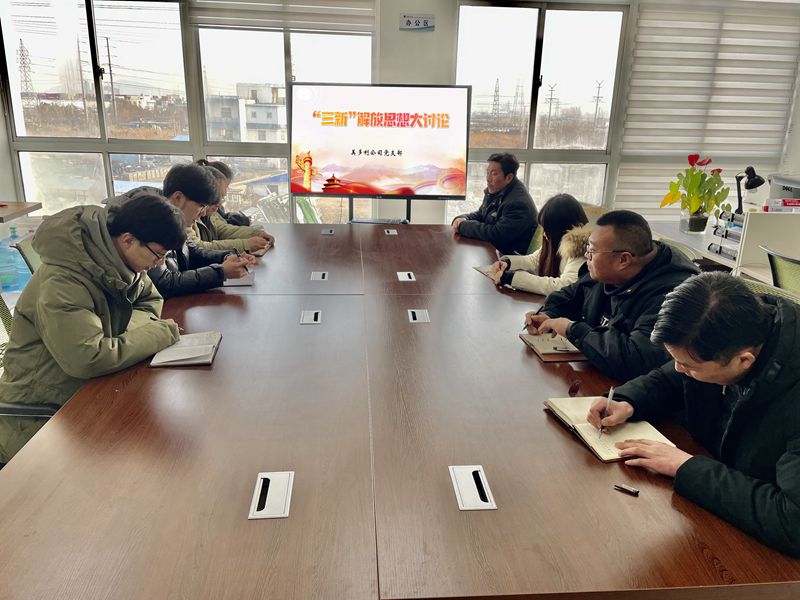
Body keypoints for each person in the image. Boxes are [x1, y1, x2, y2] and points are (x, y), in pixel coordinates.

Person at [585, 273, 800, 557]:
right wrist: (628, 401)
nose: (678, 369)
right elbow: (675, 376)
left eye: (688, 365)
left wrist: (685, 466)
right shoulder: (728, 331)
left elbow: (793, 522)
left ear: (743, 360)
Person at [0, 195, 186, 465]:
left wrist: (120, 339)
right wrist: (159, 333)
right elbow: (87, 358)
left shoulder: (122, 263)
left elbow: (150, 299)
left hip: (90, 392)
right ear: (128, 239)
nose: (159, 263)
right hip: (40, 415)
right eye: (158, 254)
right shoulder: (64, 280)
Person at [524, 210, 698, 381]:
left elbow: (636, 359)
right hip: (595, 372)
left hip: (630, 390)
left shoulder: (672, 296)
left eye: (592, 250)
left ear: (623, 260)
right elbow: (570, 294)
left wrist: (572, 330)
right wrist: (549, 314)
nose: (586, 255)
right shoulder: (608, 270)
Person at [109, 163, 251, 298]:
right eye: (201, 206)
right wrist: (220, 272)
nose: (203, 213)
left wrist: (225, 258)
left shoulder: (174, 218)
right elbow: (163, 283)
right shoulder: (151, 220)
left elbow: (190, 251)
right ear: (178, 198)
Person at [491, 193, 590, 295]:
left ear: (560, 229)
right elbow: (534, 261)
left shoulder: (580, 249)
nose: (544, 234)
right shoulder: (557, 242)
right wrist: (508, 263)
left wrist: (512, 278)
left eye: (548, 229)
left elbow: (563, 286)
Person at [451, 153, 537, 255]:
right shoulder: (497, 190)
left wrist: (463, 226)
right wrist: (463, 218)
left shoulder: (518, 203)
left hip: (509, 257)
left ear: (509, 177)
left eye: (494, 174)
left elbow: (496, 235)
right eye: (487, 173)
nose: (488, 179)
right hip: (493, 249)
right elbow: (482, 214)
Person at [188, 159, 275, 254]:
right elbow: (197, 248)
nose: (219, 204)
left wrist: (256, 233)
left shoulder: (206, 212)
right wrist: (246, 245)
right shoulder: (186, 216)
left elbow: (222, 230)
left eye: (221, 198)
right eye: (214, 198)